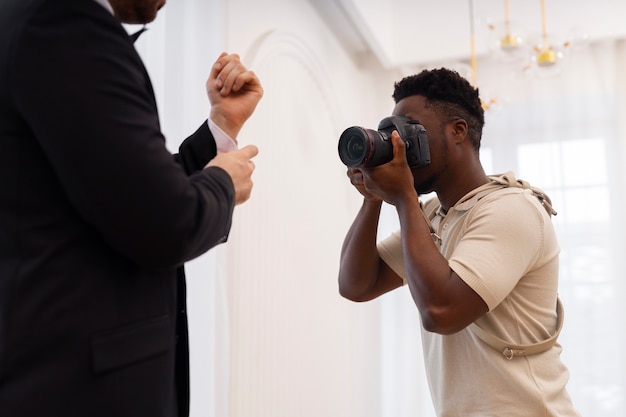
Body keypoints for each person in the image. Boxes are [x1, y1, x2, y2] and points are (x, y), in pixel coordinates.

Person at [0, 0, 262, 415]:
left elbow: (121, 192)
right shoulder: (62, 23)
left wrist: (222, 126)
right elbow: (164, 224)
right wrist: (223, 185)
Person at [338, 68, 581, 416]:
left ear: (458, 131)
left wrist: (405, 197)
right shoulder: (437, 215)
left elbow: (442, 313)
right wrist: (372, 197)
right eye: (389, 132)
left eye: (409, 129)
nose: (399, 145)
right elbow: (356, 285)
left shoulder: (511, 209)